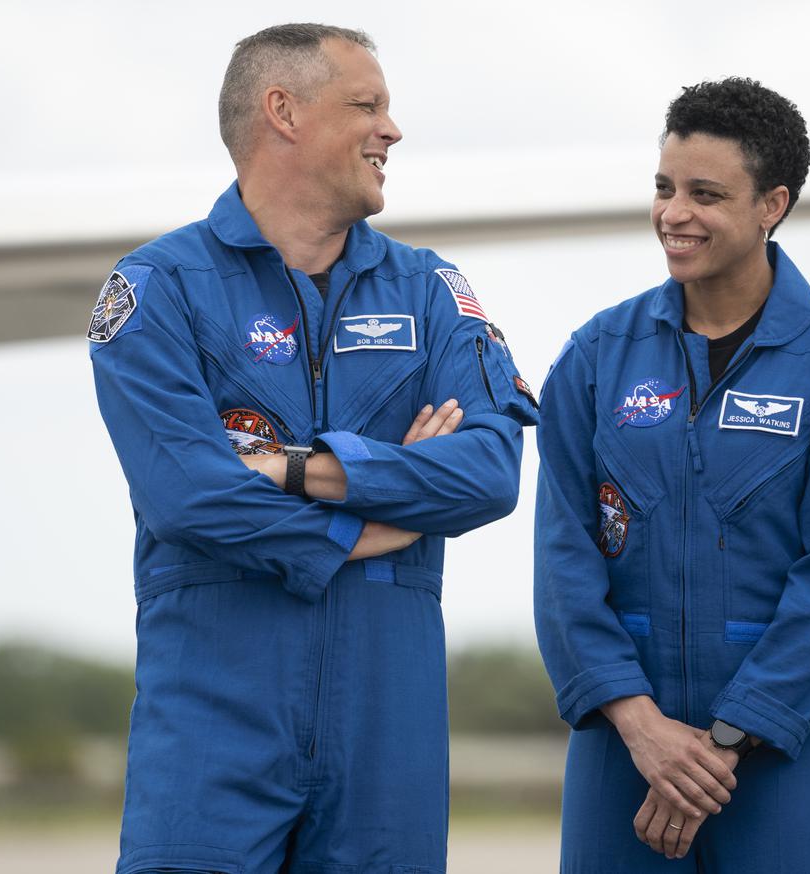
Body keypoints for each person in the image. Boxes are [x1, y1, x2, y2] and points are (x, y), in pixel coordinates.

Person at [89, 23, 538, 874]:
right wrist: (372, 524)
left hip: (387, 731)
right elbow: (190, 497)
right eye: (366, 105)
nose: (392, 131)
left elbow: (488, 470)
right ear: (283, 112)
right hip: (214, 724)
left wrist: (302, 470)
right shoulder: (154, 290)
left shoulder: (431, 290)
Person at [534, 77, 810, 872]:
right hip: (621, 753)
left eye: (706, 194)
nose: (675, 214)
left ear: (771, 205)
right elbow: (564, 562)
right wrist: (643, 730)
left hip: (781, 754)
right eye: (665, 188)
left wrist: (721, 746)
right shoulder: (595, 359)